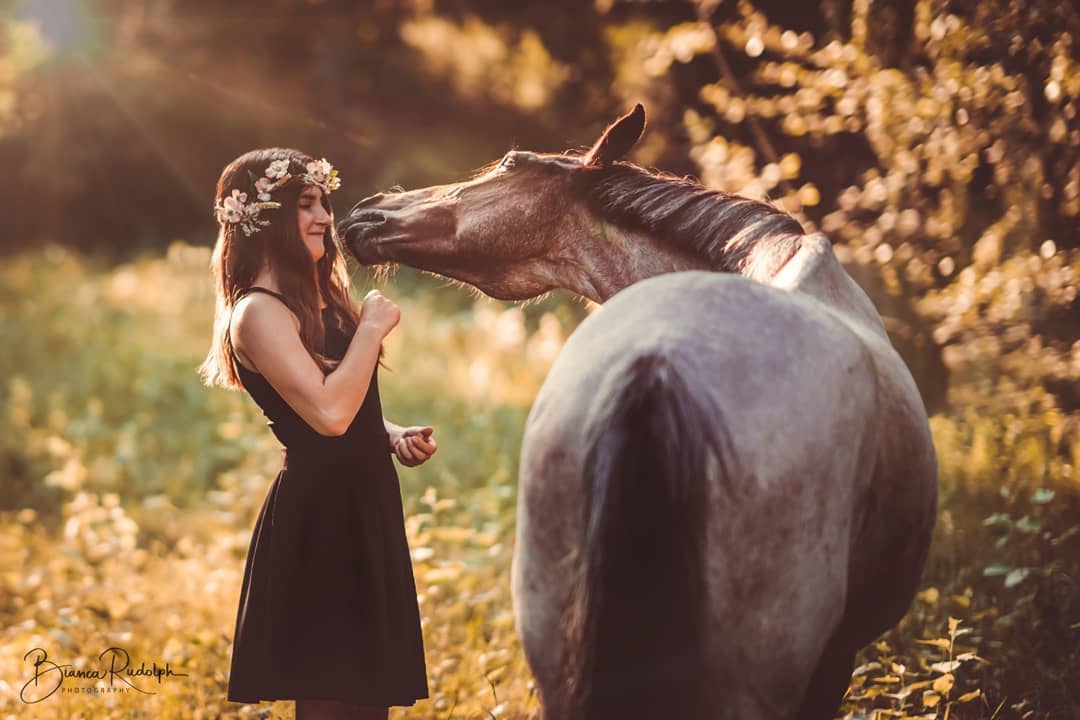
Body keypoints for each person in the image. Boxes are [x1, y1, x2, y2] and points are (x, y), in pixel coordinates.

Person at [198, 148, 436, 720]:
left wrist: (389, 433)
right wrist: (372, 329)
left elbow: (328, 400)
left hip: (364, 503)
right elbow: (328, 415)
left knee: (368, 697)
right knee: (331, 694)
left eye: (324, 203)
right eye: (306, 204)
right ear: (265, 217)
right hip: (321, 518)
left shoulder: (317, 297)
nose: (326, 218)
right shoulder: (258, 312)